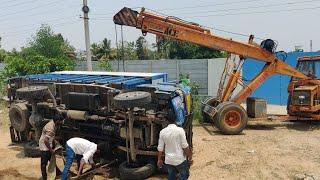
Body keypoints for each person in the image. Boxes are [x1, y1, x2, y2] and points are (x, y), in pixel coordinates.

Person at [157, 111, 193, 180]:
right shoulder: (180, 130)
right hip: (180, 160)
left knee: (171, 175)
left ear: (166, 120)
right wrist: (190, 157)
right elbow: (185, 146)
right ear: (175, 120)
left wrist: (159, 160)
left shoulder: (162, 132)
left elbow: (160, 148)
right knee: (185, 174)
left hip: (169, 160)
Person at [38, 113, 64, 180]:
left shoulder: (54, 123)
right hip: (44, 147)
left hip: (48, 145)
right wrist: (51, 150)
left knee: (52, 159)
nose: (62, 122)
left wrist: (54, 142)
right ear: (58, 121)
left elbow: (50, 138)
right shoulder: (51, 128)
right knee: (44, 164)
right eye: (61, 121)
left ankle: (58, 173)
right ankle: (44, 178)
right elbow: (46, 141)